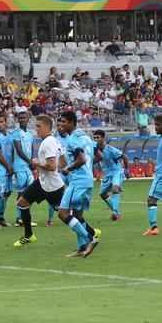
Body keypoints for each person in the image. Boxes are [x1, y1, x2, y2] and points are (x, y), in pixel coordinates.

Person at [12, 114, 65, 249]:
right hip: (43, 182)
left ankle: (89, 231)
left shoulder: (47, 142)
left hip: (52, 185)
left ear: (47, 127)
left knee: (65, 215)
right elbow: (62, 162)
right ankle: (29, 235)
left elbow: (52, 166)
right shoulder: (53, 141)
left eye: (38, 126)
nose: (36, 129)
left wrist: (37, 163)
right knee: (22, 203)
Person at [56, 110, 100, 257]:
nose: (60, 125)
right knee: (78, 216)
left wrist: (68, 168)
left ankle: (90, 239)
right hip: (88, 180)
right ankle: (82, 248)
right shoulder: (86, 137)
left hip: (78, 181)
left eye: (63, 122)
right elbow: (98, 155)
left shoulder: (72, 139)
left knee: (62, 213)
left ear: (71, 123)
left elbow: (81, 159)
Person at [8, 110, 36, 228]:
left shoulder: (30, 134)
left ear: (28, 118)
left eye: (24, 118)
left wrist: (32, 161)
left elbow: (32, 149)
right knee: (21, 192)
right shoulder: (15, 133)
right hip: (19, 167)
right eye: (20, 118)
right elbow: (18, 150)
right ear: (17, 120)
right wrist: (29, 162)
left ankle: (25, 217)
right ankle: (19, 218)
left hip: (28, 167)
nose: (22, 120)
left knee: (29, 192)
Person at [94, 130, 127, 221]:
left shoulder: (111, 149)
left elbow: (124, 157)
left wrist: (126, 170)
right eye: (94, 138)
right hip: (107, 174)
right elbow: (100, 162)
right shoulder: (95, 150)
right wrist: (99, 174)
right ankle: (117, 212)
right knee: (102, 194)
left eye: (98, 137)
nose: (96, 139)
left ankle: (115, 212)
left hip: (117, 172)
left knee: (115, 189)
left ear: (103, 138)